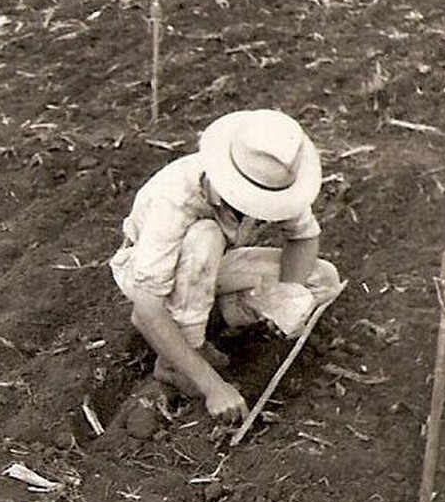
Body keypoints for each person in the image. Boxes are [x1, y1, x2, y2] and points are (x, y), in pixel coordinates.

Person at [110, 109, 342, 424]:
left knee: (322, 279)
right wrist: (213, 387)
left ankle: (210, 321)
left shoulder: (274, 179)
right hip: (146, 274)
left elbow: (302, 238)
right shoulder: (174, 200)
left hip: (211, 267)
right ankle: (175, 362)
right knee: (204, 238)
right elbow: (146, 309)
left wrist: (287, 296)